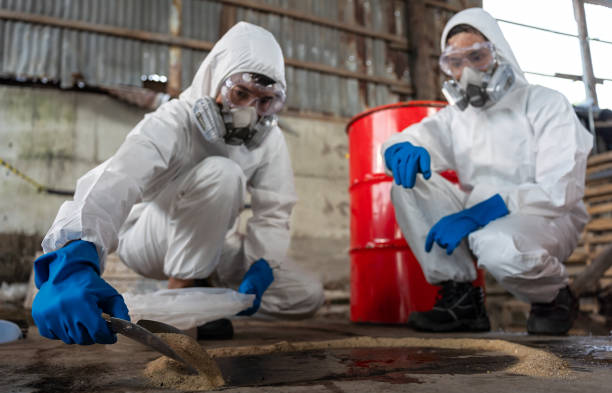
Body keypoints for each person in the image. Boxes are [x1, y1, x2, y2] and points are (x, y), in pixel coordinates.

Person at [31, 22, 324, 345]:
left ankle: (202, 301)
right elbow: (120, 176)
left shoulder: (270, 141)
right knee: (223, 173)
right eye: (241, 94)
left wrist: (262, 264)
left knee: (305, 294)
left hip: (207, 242)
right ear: (215, 80)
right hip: (148, 238)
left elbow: (274, 211)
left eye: (264, 101)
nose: (250, 113)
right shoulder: (174, 119)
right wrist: (74, 253)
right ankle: (182, 297)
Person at [382, 8, 592, 335]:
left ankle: (553, 296)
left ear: (498, 53)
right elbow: (411, 136)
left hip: (545, 216)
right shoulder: (456, 119)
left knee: (496, 245)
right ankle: (462, 300)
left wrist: (487, 210)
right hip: (478, 213)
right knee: (406, 185)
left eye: (476, 57)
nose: (466, 72)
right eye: (455, 63)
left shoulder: (544, 103)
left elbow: (560, 190)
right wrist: (399, 147)